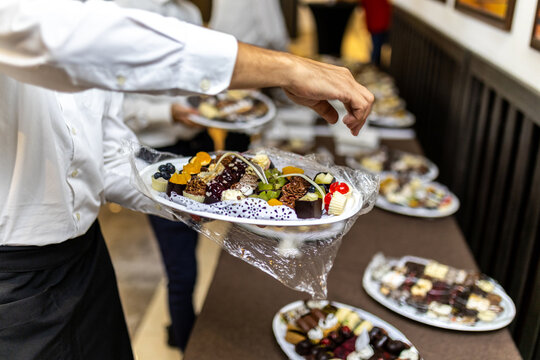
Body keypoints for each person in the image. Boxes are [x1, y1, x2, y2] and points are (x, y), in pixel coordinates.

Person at [0, 1, 374, 359]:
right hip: (12, 283)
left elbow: (108, 158)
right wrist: (286, 67)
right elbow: (65, 41)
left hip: (86, 260)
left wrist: (218, 199)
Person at [115, 0, 208, 350]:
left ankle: (182, 326)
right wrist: (167, 111)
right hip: (156, 155)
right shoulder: (125, 11)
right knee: (181, 266)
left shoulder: (190, 12)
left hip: (195, 144)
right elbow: (116, 107)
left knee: (193, 245)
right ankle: (185, 340)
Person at [359, 0, 392, 66]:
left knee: (376, 47)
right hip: (381, 24)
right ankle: (374, 65)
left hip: (374, 24)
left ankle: (374, 65)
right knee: (377, 48)